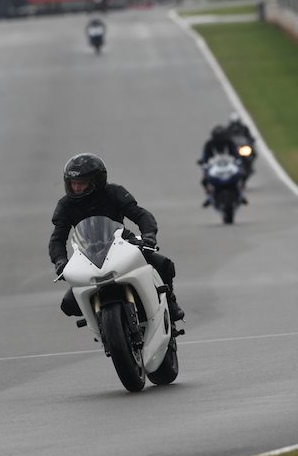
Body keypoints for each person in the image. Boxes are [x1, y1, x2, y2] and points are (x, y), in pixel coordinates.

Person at [49, 153, 185, 322]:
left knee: (164, 265)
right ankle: (98, 320)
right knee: (69, 304)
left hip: (122, 243)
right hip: (88, 252)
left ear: (97, 181)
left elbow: (140, 215)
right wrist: (60, 261)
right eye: (73, 183)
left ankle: (170, 303)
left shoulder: (114, 192)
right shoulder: (65, 205)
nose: (76, 188)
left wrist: (148, 235)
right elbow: (57, 238)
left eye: (81, 183)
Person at [198, 125, 246, 207]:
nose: (219, 139)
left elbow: (236, 154)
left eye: (221, 136)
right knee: (204, 181)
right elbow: (205, 157)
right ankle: (209, 196)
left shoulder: (229, 143)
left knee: (242, 175)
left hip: (228, 165)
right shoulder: (209, 144)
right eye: (217, 137)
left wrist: (238, 161)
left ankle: (241, 194)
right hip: (215, 166)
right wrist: (204, 164)